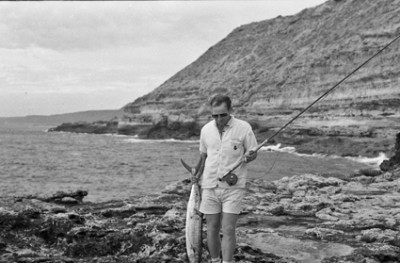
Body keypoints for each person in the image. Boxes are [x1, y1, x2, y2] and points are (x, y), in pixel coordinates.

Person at [194, 94, 258, 263]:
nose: (219, 119)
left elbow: (253, 152)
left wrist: (249, 156)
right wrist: (196, 175)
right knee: (212, 228)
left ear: (230, 110)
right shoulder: (206, 130)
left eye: (223, 114)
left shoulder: (244, 128)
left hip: (233, 187)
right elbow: (203, 155)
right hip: (209, 185)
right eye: (215, 115)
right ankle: (215, 260)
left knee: (228, 229)